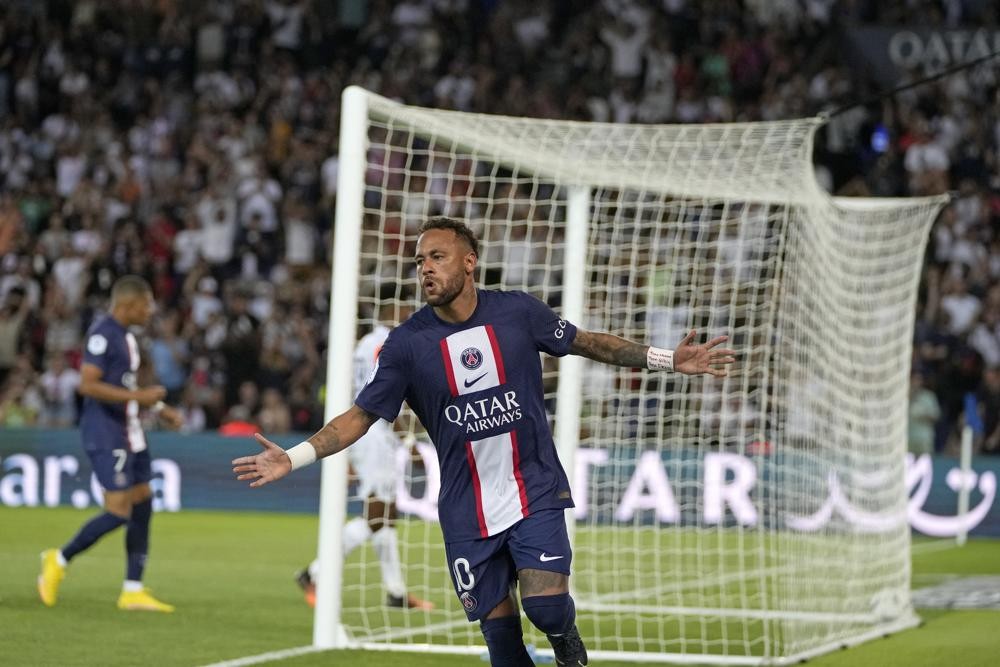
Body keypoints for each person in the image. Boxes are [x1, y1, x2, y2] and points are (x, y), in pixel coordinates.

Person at [233, 217, 735, 666]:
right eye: (419, 260)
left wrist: (666, 359)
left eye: (437, 256)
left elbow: (585, 342)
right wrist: (294, 457)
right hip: (465, 509)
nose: (425, 268)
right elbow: (361, 416)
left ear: (469, 262)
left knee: (545, 606)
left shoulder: (517, 312)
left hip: (531, 485)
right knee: (503, 644)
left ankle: (565, 643)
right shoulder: (406, 344)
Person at [37, 275, 184, 612]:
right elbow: (88, 385)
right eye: (146, 304)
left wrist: (159, 408)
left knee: (143, 500)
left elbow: (129, 386)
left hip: (130, 430)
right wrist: (141, 397)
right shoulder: (102, 334)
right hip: (106, 432)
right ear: (128, 305)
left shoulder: (128, 338)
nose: (151, 310)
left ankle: (132, 589)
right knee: (118, 511)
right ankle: (58, 560)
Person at [295, 288, 433, 611]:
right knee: (376, 516)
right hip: (374, 434)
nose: (410, 312)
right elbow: (388, 395)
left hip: (367, 431)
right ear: (392, 309)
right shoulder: (387, 343)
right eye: (405, 307)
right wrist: (409, 442)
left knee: (386, 516)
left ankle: (396, 592)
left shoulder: (364, 344)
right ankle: (313, 573)